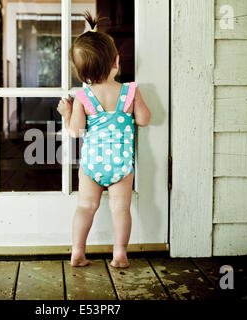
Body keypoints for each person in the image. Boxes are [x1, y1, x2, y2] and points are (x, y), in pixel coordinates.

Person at [57, 11, 151, 268]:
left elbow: (75, 131)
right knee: (120, 209)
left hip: (92, 165)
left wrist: (67, 114)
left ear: (80, 72)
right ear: (116, 61)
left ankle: (77, 252)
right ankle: (120, 254)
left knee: (86, 207)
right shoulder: (130, 92)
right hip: (121, 164)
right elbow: (144, 120)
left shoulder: (83, 98)